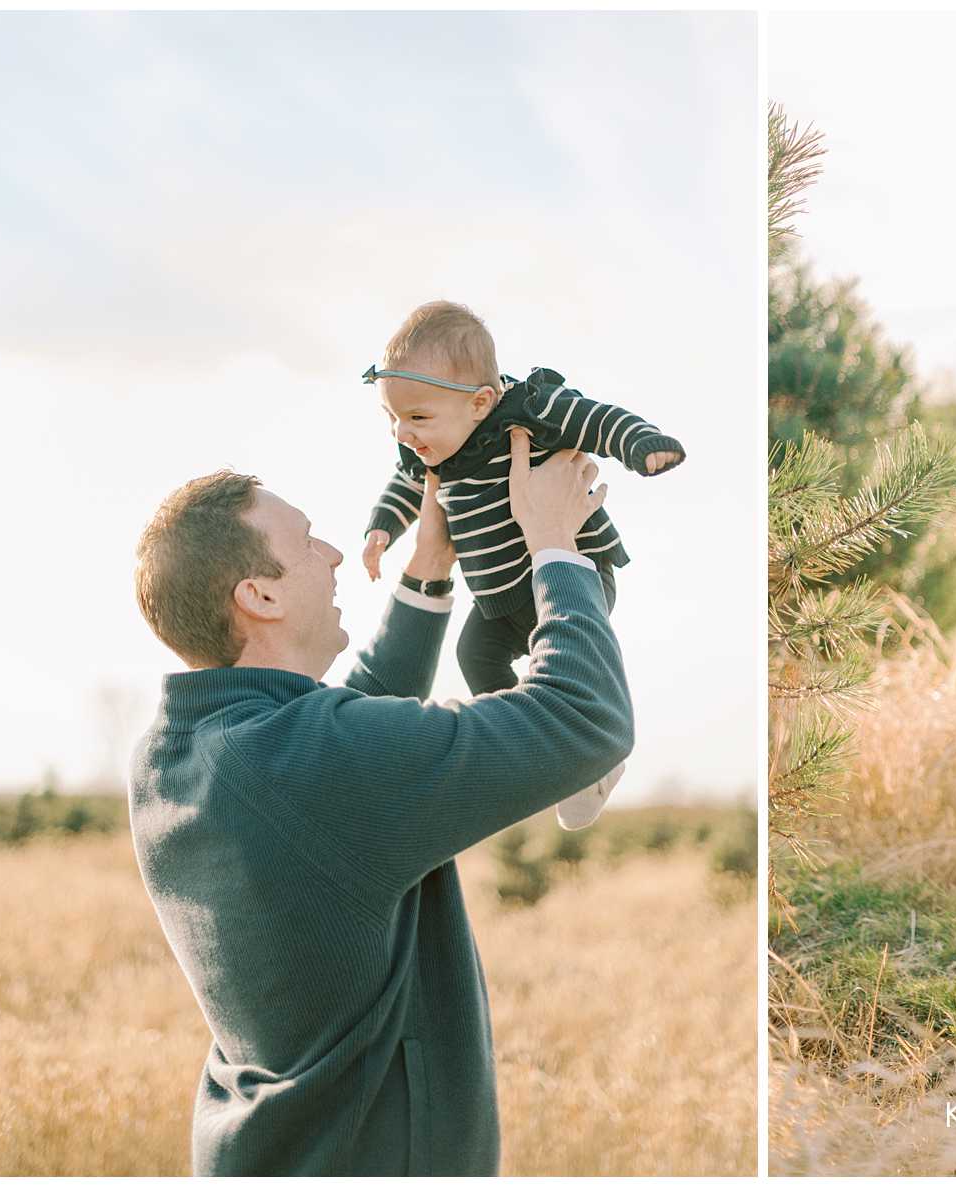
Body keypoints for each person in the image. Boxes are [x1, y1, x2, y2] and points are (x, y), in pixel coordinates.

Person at [129, 431, 632, 1174]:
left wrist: (429, 567)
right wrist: (555, 546)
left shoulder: (177, 751)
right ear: (259, 595)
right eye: (306, 543)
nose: (333, 554)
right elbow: (584, 716)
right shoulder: (307, 762)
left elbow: (339, 740)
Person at [361, 300, 684, 828]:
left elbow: (594, 419)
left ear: (480, 402)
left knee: (560, 656)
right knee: (474, 655)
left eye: (416, 418)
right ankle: (541, 752)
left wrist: (640, 444)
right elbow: (405, 485)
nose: (403, 433)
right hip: (499, 595)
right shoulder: (428, 450)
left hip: (570, 568)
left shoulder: (531, 410)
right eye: (391, 417)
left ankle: (595, 739)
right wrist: (382, 527)